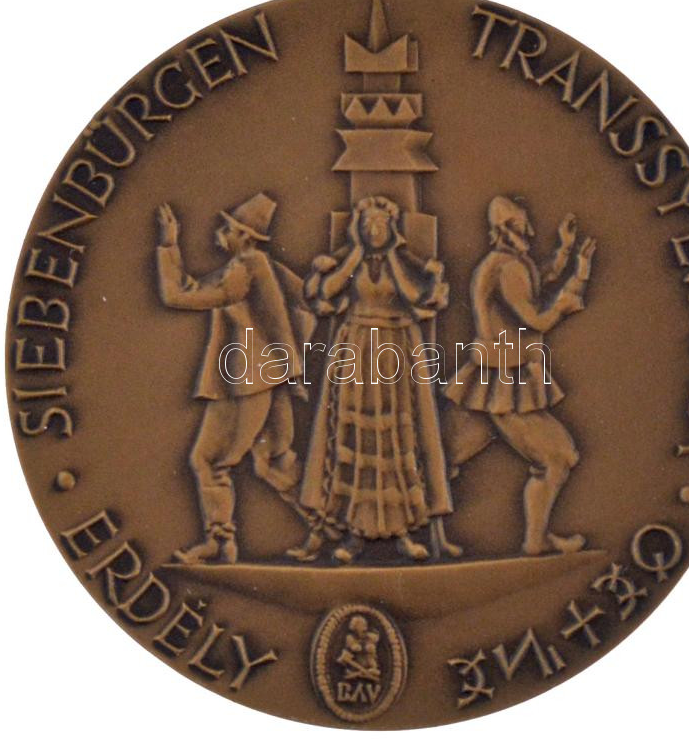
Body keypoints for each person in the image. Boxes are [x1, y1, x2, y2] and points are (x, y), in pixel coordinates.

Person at [288, 195, 461, 564]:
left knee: (397, 439)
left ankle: (402, 531)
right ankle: (354, 532)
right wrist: (354, 252)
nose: (373, 230)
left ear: (392, 227)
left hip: (396, 350)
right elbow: (328, 290)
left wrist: (396, 256)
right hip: (357, 350)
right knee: (355, 438)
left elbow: (413, 294)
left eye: (380, 224)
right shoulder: (351, 262)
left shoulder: (402, 263)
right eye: (366, 224)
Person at [156, 193, 316, 564]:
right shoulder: (251, 266)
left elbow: (178, 297)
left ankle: (221, 542)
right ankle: (330, 526)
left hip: (246, 381)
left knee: (209, 460)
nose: (219, 232)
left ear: (244, 236)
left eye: (227, 227)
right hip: (267, 377)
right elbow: (302, 304)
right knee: (274, 461)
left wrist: (168, 245)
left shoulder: (247, 266)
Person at [443, 195, 596, 556]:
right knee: (557, 458)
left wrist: (565, 252)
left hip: (495, 375)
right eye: (524, 225)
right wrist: (565, 303)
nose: (530, 232)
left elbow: (537, 279)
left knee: (442, 458)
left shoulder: (508, 262)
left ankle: (402, 528)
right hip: (504, 379)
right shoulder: (506, 267)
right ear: (508, 228)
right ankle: (535, 541)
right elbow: (536, 319)